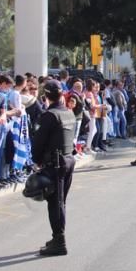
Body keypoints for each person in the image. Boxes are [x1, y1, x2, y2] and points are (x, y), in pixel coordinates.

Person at [31, 81, 77, 256]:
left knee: (55, 203)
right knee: (61, 201)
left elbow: (39, 141)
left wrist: (37, 160)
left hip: (55, 163)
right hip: (68, 159)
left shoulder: (49, 115)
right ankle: (58, 237)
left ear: (46, 95)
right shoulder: (68, 113)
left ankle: (59, 240)